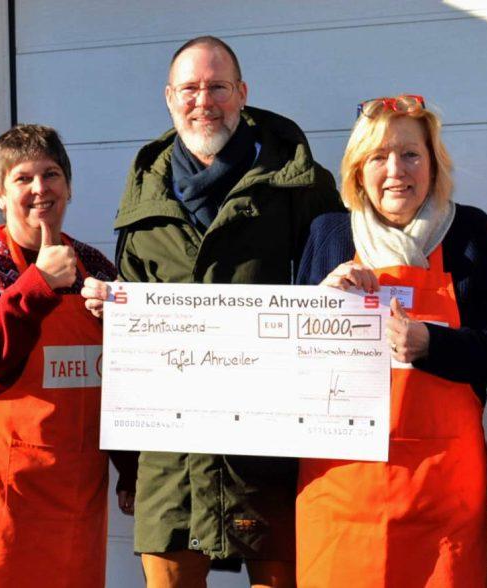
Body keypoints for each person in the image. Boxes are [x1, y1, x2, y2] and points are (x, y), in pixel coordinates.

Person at [82, 36, 341, 587]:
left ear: (242, 94)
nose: (205, 101)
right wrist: (110, 311)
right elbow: (133, 338)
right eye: (191, 88)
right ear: (169, 97)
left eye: (218, 87)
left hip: (273, 451)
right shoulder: (143, 194)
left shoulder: (303, 188)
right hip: (171, 462)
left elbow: (337, 308)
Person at [295, 95, 487, 587]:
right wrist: (321, 303)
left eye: (411, 154)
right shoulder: (328, 233)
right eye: (378, 156)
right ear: (357, 170)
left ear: (433, 163)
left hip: (441, 494)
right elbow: (290, 364)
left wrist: (430, 345)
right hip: (342, 490)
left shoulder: (467, 231)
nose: (396, 170)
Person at [0, 124, 136, 587]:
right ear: (1, 194)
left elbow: (124, 377)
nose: (39, 189)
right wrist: (37, 285)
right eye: (22, 178)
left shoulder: (96, 267)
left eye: (50, 175)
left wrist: (130, 467)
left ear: (68, 185)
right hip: (1, 495)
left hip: (75, 492)